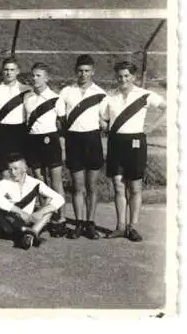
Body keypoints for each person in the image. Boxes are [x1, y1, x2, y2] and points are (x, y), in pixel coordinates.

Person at [101, 61, 166, 241]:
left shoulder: (144, 95)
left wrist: (152, 127)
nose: (123, 79)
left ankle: (132, 227)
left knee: (135, 187)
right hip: (116, 142)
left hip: (136, 142)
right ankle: (120, 226)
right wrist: (103, 123)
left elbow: (167, 107)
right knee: (118, 185)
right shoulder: (110, 96)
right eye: (120, 76)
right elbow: (104, 120)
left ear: (133, 77)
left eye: (126, 76)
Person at [57, 54, 107, 240]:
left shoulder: (100, 93)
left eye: (87, 71)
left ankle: (90, 223)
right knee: (77, 186)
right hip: (74, 140)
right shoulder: (66, 91)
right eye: (80, 71)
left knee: (92, 186)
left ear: (93, 72)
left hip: (93, 140)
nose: (83, 74)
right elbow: (61, 119)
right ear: (75, 71)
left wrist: (103, 122)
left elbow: (105, 120)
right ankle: (78, 223)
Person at [23, 62, 67, 237]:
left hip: (51, 140)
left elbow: (62, 127)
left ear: (47, 78)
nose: (35, 79)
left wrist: (63, 149)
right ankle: (45, 218)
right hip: (33, 141)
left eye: (39, 75)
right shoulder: (28, 99)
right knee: (40, 182)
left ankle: (61, 219)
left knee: (55, 182)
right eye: (33, 75)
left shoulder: (56, 99)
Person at [0, 153, 65, 250]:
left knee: (50, 199)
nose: (13, 172)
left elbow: (60, 198)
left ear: (25, 168)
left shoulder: (35, 183)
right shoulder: (4, 183)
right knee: (2, 213)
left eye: (16, 169)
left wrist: (40, 212)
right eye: (10, 169)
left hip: (29, 220)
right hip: (10, 222)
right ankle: (30, 234)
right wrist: (20, 212)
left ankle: (31, 233)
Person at [0, 57, 32, 178]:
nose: (9, 73)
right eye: (6, 69)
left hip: (21, 131)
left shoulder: (26, 90)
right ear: (2, 71)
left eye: (12, 70)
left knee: (20, 168)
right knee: (4, 168)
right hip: (2, 132)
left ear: (18, 71)